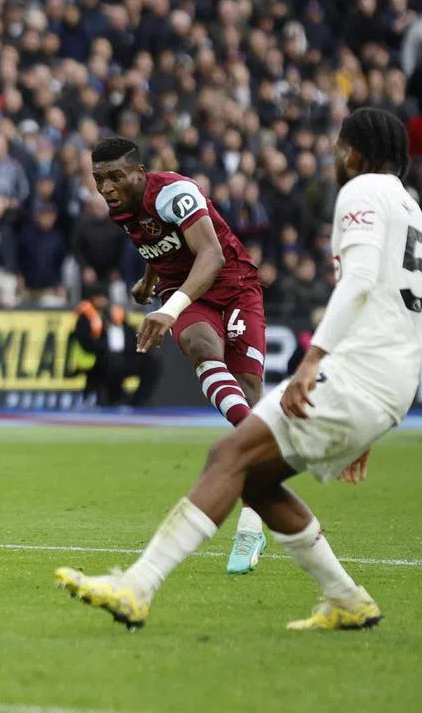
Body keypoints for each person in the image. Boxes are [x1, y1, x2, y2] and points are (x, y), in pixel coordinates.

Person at [57, 108, 422, 631]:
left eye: (336, 150)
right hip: (392, 382)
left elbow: (359, 282)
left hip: (344, 365)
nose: (332, 160)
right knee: (253, 477)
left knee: (229, 456)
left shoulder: (359, 193)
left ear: (352, 154)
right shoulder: (417, 217)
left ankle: (136, 587)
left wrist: (314, 362)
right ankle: (345, 598)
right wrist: (376, 409)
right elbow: (414, 316)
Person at [88, 136, 269, 575]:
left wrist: (168, 311)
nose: (107, 187)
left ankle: (253, 520)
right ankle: (263, 443)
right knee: (198, 344)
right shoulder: (121, 209)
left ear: (139, 171)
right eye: (99, 179)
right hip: (185, 294)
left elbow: (209, 252)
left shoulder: (174, 191)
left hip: (234, 285)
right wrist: (152, 280)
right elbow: (161, 241)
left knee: (248, 391)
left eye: (115, 177)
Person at [70, 284, 161, 408]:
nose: (104, 301)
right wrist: (104, 348)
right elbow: (86, 341)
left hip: (125, 356)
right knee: (112, 366)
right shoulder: (86, 317)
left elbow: (131, 336)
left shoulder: (117, 314)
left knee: (151, 364)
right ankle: (116, 400)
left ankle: (136, 403)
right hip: (102, 359)